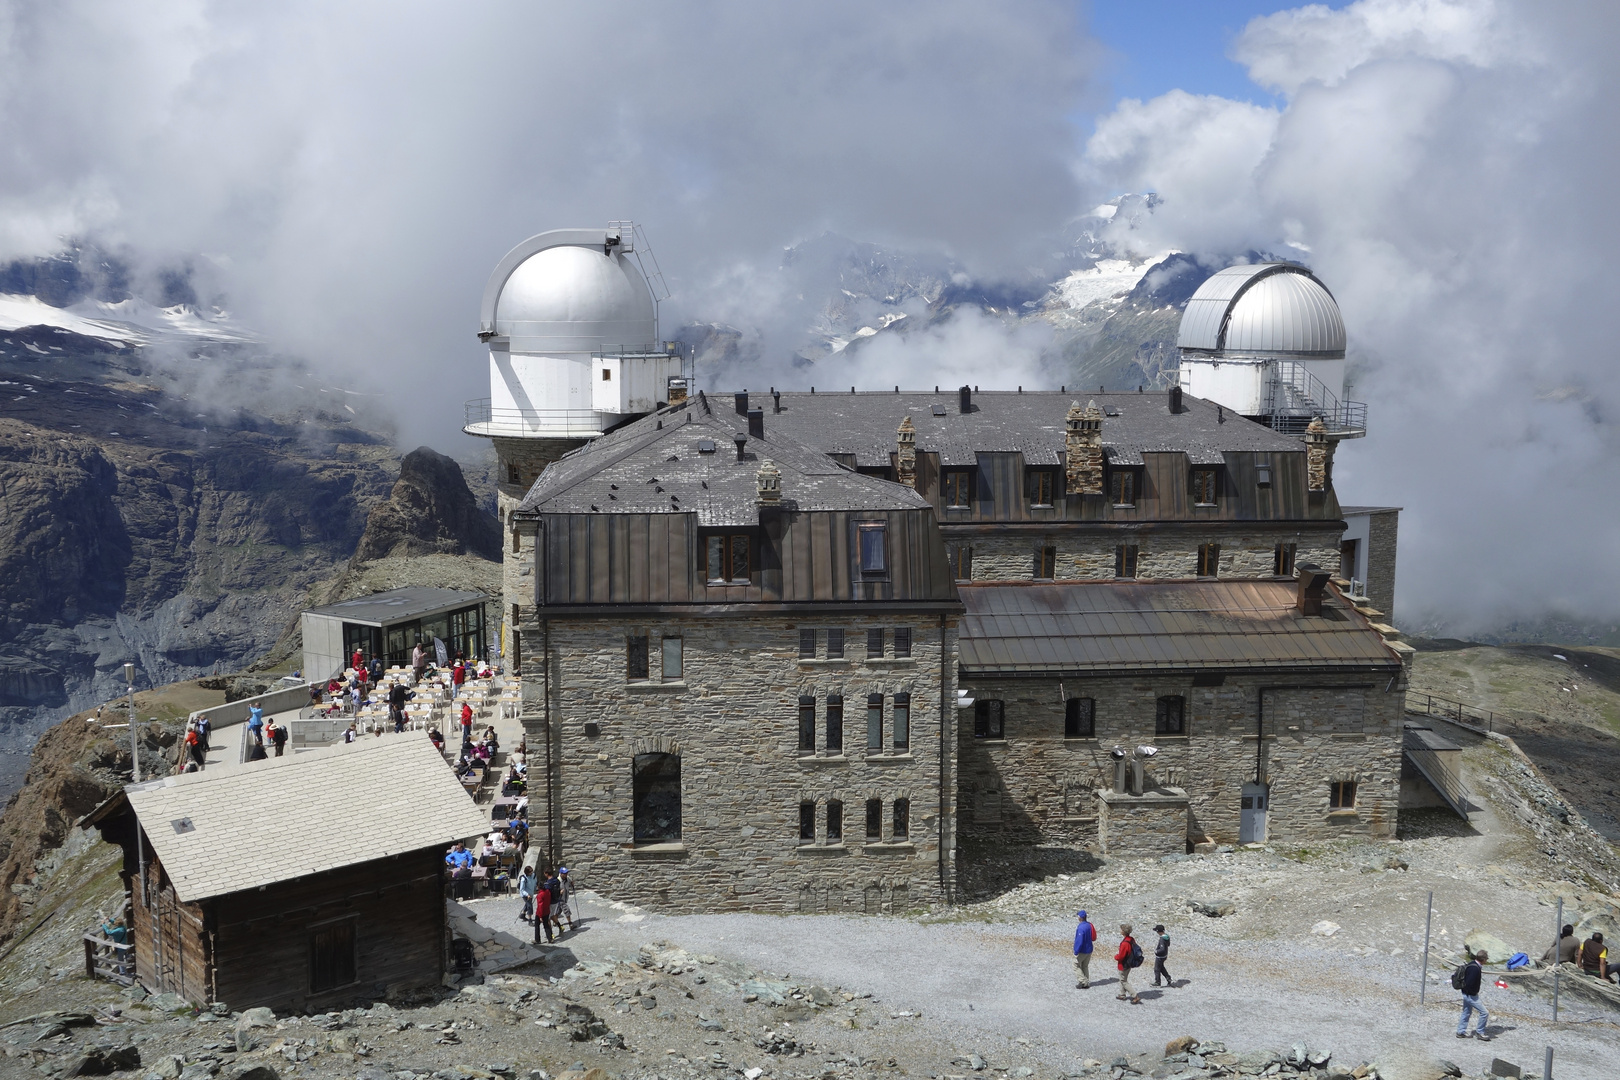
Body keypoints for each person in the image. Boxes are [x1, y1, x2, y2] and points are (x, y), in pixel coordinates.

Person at [1456, 950, 1489, 1040]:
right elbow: (1469, 983)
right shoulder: (1475, 969)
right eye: (1486, 959)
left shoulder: (1472, 964)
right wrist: (1472, 992)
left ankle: (1460, 1032)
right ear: (1483, 959)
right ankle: (1480, 1032)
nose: (1487, 960)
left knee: (1466, 1012)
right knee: (1484, 1013)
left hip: (1466, 994)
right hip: (1471, 995)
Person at [1115, 924, 1141, 1003]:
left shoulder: (1124, 943)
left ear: (1123, 932)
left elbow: (1121, 956)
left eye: (1121, 929)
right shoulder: (1131, 939)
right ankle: (1122, 994)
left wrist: (1116, 957)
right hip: (1129, 962)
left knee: (1123, 980)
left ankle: (1134, 996)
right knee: (1123, 978)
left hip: (1123, 964)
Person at [1073, 910, 1095, 989]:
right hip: (1089, 948)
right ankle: (1086, 982)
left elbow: (1079, 941)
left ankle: (1083, 981)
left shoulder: (1081, 928)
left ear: (1080, 918)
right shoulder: (1089, 925)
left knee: (1076, 965)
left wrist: (1076, 951)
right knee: (1085, 966)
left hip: (1083, 950)